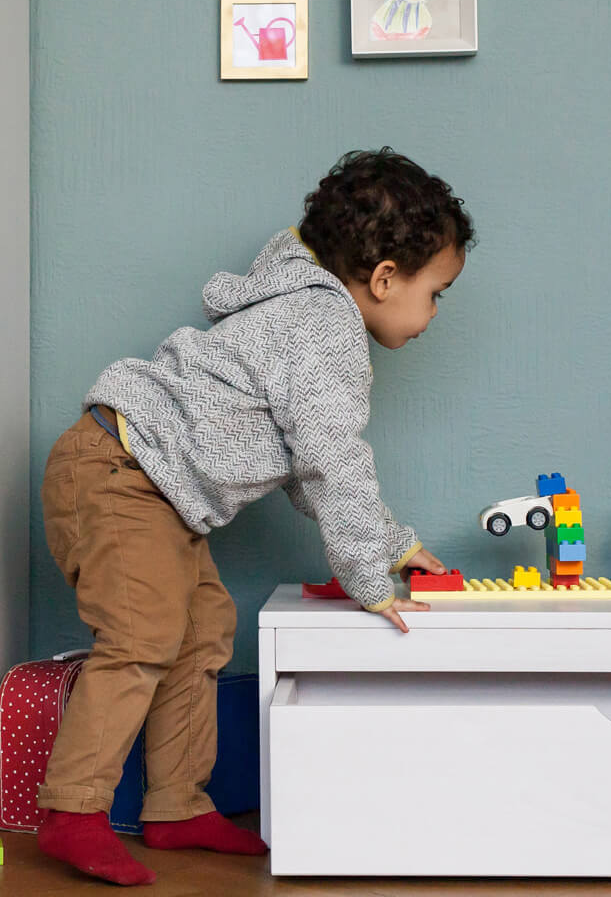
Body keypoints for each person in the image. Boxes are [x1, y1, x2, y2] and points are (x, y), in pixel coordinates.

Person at [36, 148, 473, 886]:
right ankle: (71, 811)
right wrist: (368, 573)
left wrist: (392, 545)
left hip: (156, 488)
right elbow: (333, 462)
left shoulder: (303, 313)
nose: (433, 313)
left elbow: (310, 467)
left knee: (202, 633)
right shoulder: (324, 328)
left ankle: (176, 806)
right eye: (437, 293)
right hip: (120, 474)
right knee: (141, 637)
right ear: (385, 278)